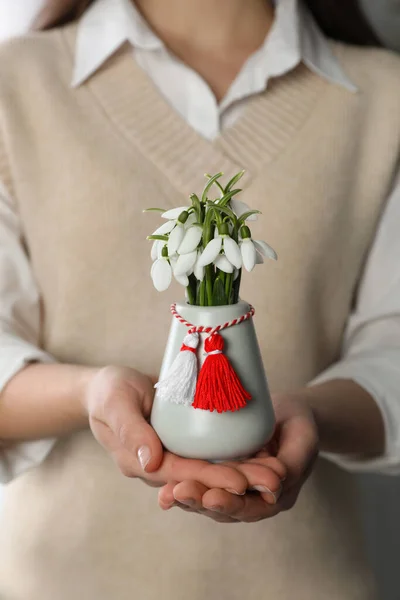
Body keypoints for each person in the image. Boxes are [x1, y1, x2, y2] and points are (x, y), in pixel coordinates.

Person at [0, 0, 399, 598]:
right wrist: (91, 393)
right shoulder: (18, 83)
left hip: (307, 581)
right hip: (64, 578)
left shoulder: (384, 97)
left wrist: (309, 414)